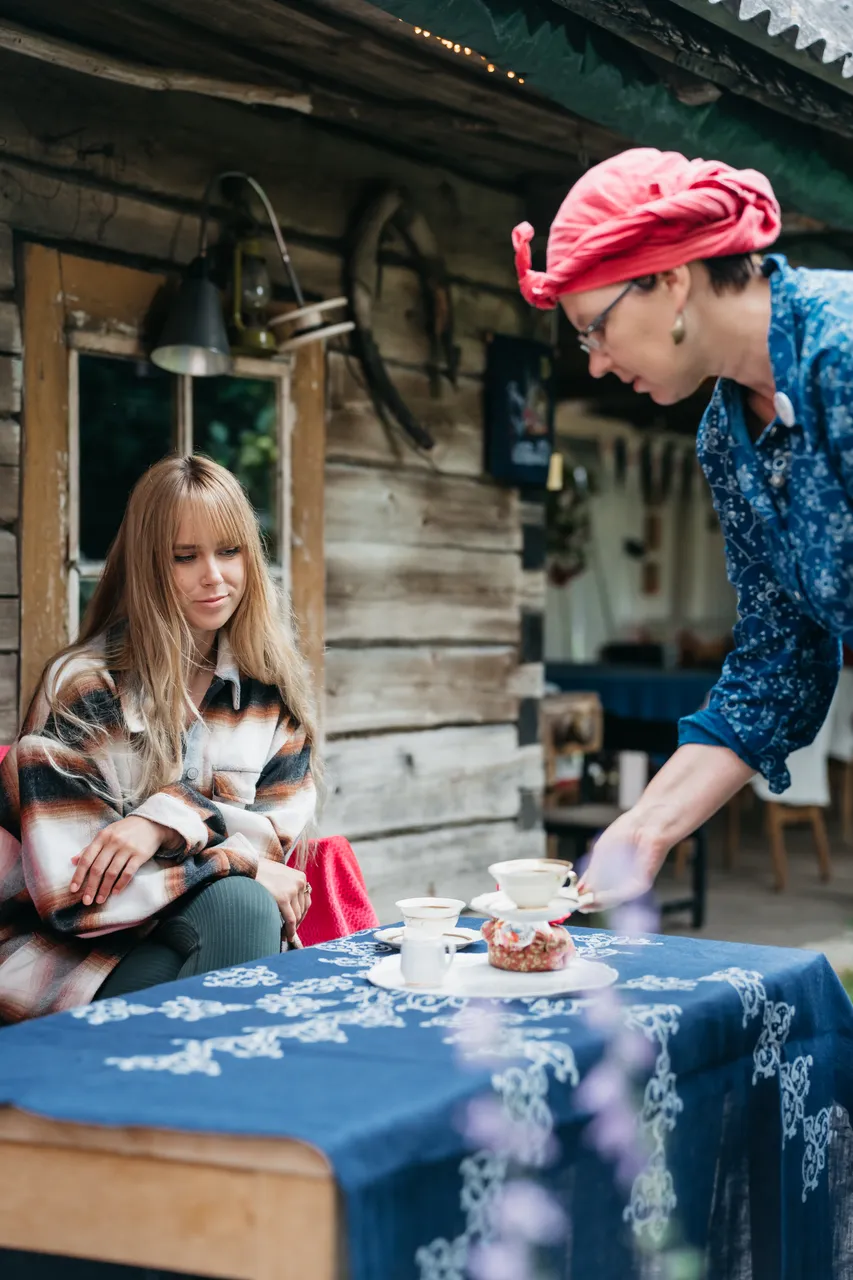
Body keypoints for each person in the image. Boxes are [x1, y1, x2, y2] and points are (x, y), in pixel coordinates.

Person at [514, 147, 853, 904]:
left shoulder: (842, 349)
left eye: (592, 329)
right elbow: (780, 662)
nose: (594, 363)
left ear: (669, 281)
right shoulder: (724, 438)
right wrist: (643, 827)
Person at [0, 455, 317, 1023]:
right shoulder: (85, 688)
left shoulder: (269, 695)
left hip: (191, 929)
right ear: (148, 565)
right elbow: (73, 895)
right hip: (63, 958)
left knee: (239, 910)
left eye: (229, 551)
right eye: (184, 557)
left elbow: (273, 847)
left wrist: (158, 824)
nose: (214, 576)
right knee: (239, 912)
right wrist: (229, 858)